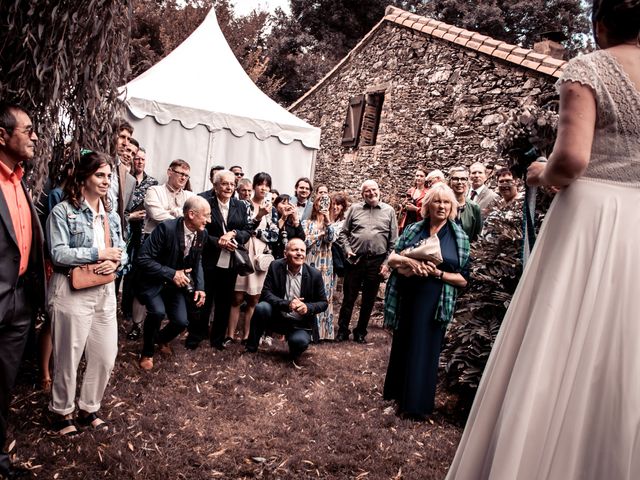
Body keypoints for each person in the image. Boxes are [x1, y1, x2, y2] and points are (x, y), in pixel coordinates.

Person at [447, 2, 640, 478]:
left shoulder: (590, 67)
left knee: (560, 334)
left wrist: (539, 174)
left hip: (592, 216)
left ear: (600, 25)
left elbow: (572, 159)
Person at [46, 150, 127, 436]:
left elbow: (123, 250)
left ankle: (89, 407)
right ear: (83, 178)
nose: (106, 181)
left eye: (108, 176)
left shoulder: (111, 216)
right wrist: (97, 253)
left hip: (104, 292)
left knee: (106, 354)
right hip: (71, 289)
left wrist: (115, 260)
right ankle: (61, 411)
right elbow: (57, 253)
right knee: (68, 354)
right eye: (100, 175)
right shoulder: (63, 211)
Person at [383, 184, 470, 419]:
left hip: (436, 302)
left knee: (425, 351)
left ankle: (418, 406)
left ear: (452, 207)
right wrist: (412, 263)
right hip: (408, 296)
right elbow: (393, 258)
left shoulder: (459, 236)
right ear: (427, 205)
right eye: (437, 201)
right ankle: (397, 399)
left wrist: (437, 274)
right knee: (403, 346)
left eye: (446, 202)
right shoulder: (413, 230)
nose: (441, 206)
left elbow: (463, 279)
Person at [0, 102, 46, 478]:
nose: (34, 136)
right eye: (27, 129)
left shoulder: (20, 180)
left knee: (3, 387)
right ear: (2, 136)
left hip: (19, 303)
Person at [136, 197, 209, 370]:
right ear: (191, 214)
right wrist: (171, 273)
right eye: (206, 215)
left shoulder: (202, 233)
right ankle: (147, 352)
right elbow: (143, 259)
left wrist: (200, 287)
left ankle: (160, 339)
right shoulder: (166, 228)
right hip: (154, 281)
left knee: (181, 322)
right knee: (157, 312)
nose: (208, 220)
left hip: (176, 285)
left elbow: (198, 261)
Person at [185, 170, 251, 350]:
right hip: (208, 258)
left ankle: (217, 339)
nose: (229, 187)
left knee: (224, 300)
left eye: (231, 184)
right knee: (203, 298)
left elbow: (247, 230)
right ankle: (196, 336)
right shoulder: (204, 202)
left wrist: (234, 234)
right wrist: (218, 242)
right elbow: (198, 229)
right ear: (215, 185)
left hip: (230, 260)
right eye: (224, 184)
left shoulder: (240, 205)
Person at [245, 238, 328, 358]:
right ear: (285, 253)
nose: (299, 253)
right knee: (262, 307)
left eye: (302, 250)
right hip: (278, 318)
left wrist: (307, 307)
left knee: (298, 343)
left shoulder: (314, 274)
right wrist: (287, 304)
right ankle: (250, 349)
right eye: (295, 250)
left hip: (300, 323)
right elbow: (266, 293)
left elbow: (323, 302)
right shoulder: (275, 266)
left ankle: (294, 346)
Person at [336, 180, 397, 343]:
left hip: (376, 262)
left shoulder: (389, 211)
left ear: (379, 190)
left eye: (374, 189)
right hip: (355, 259)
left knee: (369, 300)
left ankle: (360, 332)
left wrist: (386, 264)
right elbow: (343, 234)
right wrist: (347, 250)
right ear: (363, 194)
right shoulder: (354, 209)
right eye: (367, 191)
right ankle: (342, 331)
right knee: (349, 297)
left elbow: (393, 242)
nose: (371, 193)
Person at [227, 172, 278, 344]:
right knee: (237, 296)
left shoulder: (273, 210)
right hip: (244, 251)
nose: (264, 188)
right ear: (254, 186)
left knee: (254, 298)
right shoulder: (243, 205)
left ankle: (247, 335)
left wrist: (256, 232)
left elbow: (274, 235)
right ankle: (230, 334)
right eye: (260, 184)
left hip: (260, 255)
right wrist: (258, 217)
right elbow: (240, 228)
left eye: (267, 185)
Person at [122, 146, 158, 340]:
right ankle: (123, 307)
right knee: (124, 268)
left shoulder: (152, 183)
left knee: (136, 271)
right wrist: (130, 216)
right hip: (126, 228)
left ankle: (131, 311)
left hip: (143, 233)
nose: (139, 161)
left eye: (142, 159)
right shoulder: (123, 178)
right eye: (136, 158)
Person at [302, 194, 337, 340]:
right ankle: (306, 330)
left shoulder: (331, 224)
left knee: (324, 296)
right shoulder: (306, 223)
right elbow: (304, 242)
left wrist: (327, 222)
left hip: (325, 264)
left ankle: (323, 333)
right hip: (310, 261)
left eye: (326, 203)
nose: (322, 205)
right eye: (320, 202)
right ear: (315, 205)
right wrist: (318, 235)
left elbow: (331, 238)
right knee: (309, 294)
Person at [142, 159, 195, 235]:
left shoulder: (190, 196)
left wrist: (169, 212)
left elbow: (194, 217)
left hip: (178, 241)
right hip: (155, 239)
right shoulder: (154, 191)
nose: (183, 178)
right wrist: (181, 219)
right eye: (181, 174)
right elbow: (156, 215)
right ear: (169, 172)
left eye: (186, 176)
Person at [109, 121, 136, 235]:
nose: (126, 143)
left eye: (128, 139)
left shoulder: (123, 172)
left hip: (113, 230)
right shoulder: (95, 162)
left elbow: (124, 210)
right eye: (122, 137)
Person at [448, 166, 482, 242]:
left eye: (463, 179)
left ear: (468, 182)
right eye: (455, 179)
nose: (459, 182)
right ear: (450, 182)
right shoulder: (443, 205)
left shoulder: (474, 207)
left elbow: (477, 237)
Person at [272, 194, 305, 259]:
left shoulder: (292, 220)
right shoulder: (272, 218)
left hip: (291, 257)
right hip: (275, 255)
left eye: (288, 204)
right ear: (276, 205)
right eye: (283, 203)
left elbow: (302, 238)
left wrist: (296, 218)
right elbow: (274, 236)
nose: (286, 206)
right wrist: (283, 217)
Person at [398, 167, 428, 233]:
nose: (418, 178)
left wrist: (415, 209)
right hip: (407, 221)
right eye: (417, 176)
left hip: (420, 222)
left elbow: (428, 212)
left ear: (425, 178)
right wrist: (404, 205)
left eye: (421, 176)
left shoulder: (428, 193)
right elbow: (403, 210)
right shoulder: (411, 191)